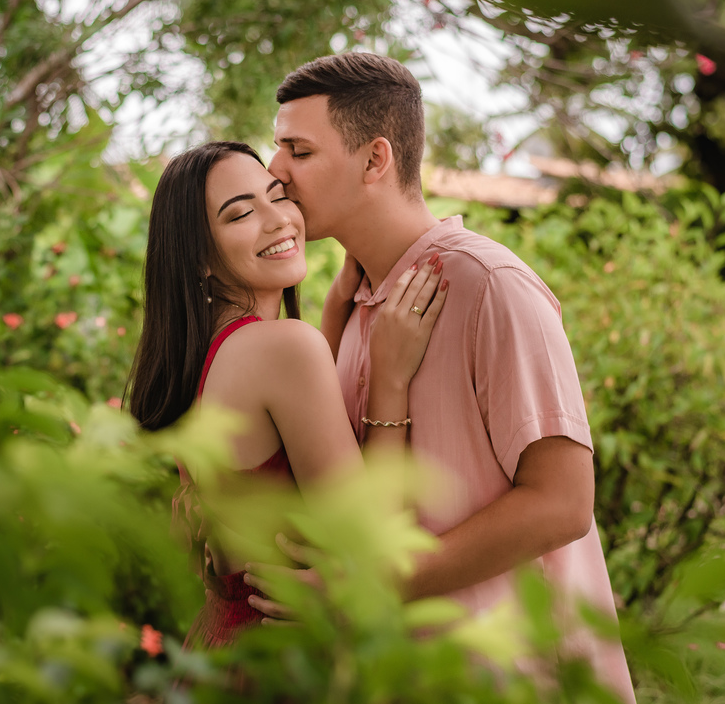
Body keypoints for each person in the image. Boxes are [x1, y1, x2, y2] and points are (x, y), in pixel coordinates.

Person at [242, 53, 635, 702]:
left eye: (298, 150)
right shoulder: (361, 298)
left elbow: (563, 501)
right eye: (275, 147)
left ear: (375, 160)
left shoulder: (488, 286)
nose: (275, 172)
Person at [126, 141, 449, 648]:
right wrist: (389, 381)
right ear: (199, 258)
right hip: (280, 665)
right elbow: (366, 539)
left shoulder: (196, 361)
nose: (278, 220)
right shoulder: (282, 349)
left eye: (278, 197)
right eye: (240, 215)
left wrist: (335, 316)